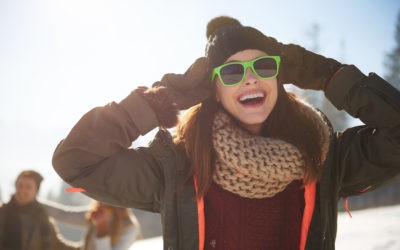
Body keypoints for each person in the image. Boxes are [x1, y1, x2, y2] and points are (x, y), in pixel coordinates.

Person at [52, 16, 400, 250]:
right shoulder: (176, 166)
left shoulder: (324, 157)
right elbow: (77, 162)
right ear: (214, 89)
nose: (250, 78)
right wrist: (160, 101)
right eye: (232, 71)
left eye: (263, 66)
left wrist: (327, 75)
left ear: (278, 79)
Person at [0, 170, 80, 250]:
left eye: (28, 187)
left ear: (36, 191)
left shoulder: (42, 217)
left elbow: (58, 245)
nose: (22, 190)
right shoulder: (2, 213)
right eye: (20, 185)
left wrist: (84, 247)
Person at [41, 199, 142, 250]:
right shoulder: (95, 213)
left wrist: (102, 229)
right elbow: (64, 215)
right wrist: (35, 202)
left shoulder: (129, 226)